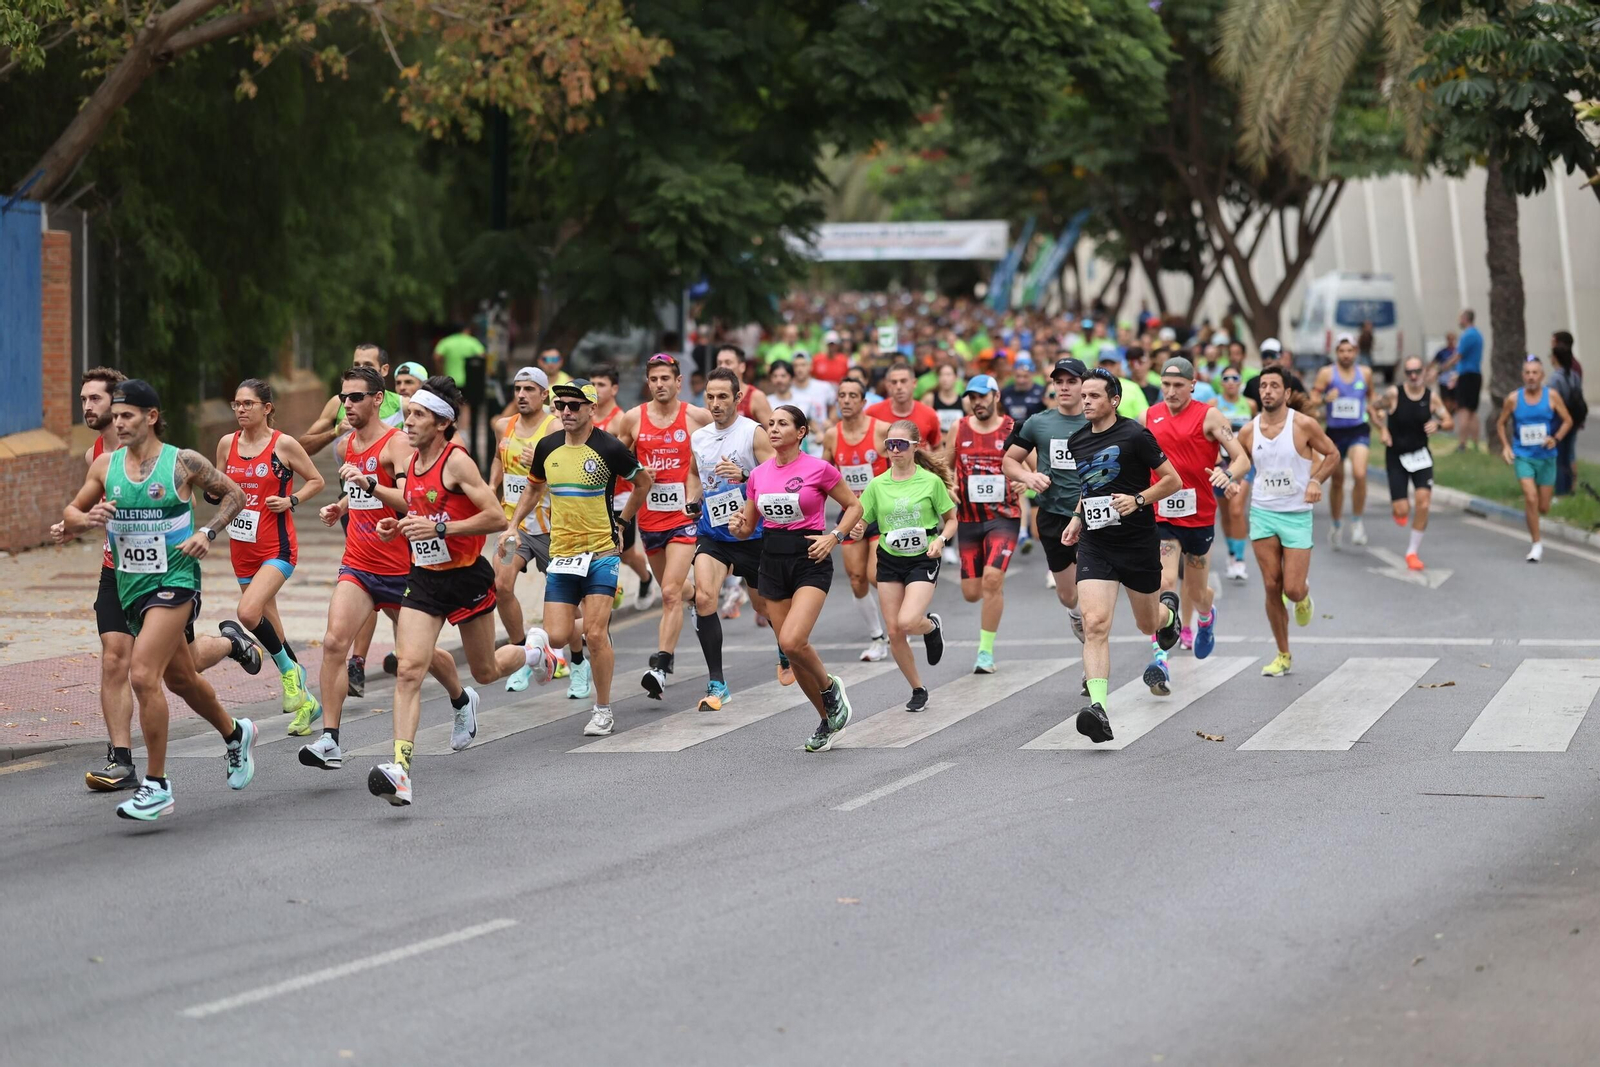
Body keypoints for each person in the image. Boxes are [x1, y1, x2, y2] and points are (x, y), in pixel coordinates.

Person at [59, 380, 261, 822]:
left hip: (175, 581)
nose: (119, 423)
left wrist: (207, 533)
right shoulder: (106, 467)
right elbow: (72, 513)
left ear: (151, 416)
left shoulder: (182, 462)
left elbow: (236, 494)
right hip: (129, 585)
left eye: (127, 415)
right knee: (181, 680)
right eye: (115, 417)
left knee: (142, 673)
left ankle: (156, 785)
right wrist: (84, 519)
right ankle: (235, 733)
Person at [368, 377, 543, 807]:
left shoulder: (458, 461)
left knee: (485, 671)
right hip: (425, 578)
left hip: (466, 578)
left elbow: (492, 518)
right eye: (407, 413)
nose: (408, 421)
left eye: (418, 415)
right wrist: (399, 527)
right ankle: (401, 771)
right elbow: (420, 505)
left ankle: (536, 650)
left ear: (442, 423)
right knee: (410, 668)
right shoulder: (411, 461)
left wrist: (441, 528)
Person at [298, 367, 476, 773]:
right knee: (332, 643)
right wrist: (340, 505)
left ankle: (462, 700)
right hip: (359, 562)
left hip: (401, 568)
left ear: (378, 400)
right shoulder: (345, 446)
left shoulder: (397, 444)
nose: (348, 405)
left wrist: (367, 487)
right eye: (344, 397)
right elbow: (356, 489)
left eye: (356, 397)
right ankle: (330, 739)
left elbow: (408, 500)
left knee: (422, 656)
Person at [517, 379, 653, 738]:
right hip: (562, 553)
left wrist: (624, 523)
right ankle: (546, 649)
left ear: (592, 409)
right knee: (559, 636)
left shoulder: (608, 447)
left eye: (574, 406)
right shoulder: (547, 446)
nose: (566, 411)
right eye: (561, 405)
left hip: (602, 551)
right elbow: (533, 487)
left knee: (595, 634)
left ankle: (603, 709)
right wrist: (512, 524)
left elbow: (643, 481)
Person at [728, 406, 863, 752]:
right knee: (794, 652)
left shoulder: (819, 469)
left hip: (810, 558)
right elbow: (747, 526)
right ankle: (827, 720)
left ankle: (830, 688)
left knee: (791, 641)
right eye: (770, 424)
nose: (773, 429)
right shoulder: (758, 475)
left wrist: (834, 537)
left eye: (782, 424)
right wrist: (738, 527)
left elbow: (854, 507)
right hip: (771, 561)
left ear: (800, 432)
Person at [1059, 371, 1183, 743]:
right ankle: (1098, 708)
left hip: (1137, 542)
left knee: (1148, 624)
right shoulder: (1077, 440)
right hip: (1097, 544)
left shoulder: (1135, 435)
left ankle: (1169, 614)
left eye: (1094, 396)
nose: (1085, 402)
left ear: (1113, 400)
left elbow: (1172, 480)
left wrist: (1138, 499)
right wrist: (1078, 517)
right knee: (1094, 622)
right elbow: (1089, 485)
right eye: (1083, 396)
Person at [216, 378, 326, 734]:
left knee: (248, 612)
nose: (241, 410)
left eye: (248, 404)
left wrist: (291, 500)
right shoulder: (226, 444)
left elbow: (316, 480)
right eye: (236, 404)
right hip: (241, 549)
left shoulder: (284, 445)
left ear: (267, 408)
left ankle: (291, 674)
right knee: (270, 622)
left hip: (277, 548)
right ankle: (306, 702)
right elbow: (219, 487)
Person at [1141, 356, 1251, 693]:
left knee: (1197, 592)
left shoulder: (1210, 416)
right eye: (1166, 385)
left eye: (1178, 386)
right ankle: (1160, 656)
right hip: (1162, 515)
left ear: (1193, 384)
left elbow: (1243, 457)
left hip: (1199, 515)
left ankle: (1206, 616)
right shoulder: (1151, 414)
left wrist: (1228, 473)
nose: (1171, 392)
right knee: (1165, 579)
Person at [610, 354, 711, 697]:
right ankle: (697, 596)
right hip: (650, 519)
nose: (660, 384)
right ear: (648, 383)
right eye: (654, 379)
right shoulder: (632, 419)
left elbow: (723, 448)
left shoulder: (696, 417)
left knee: (668, 593)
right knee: (675, 589)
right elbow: (612, 460)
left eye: (666, 378)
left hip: (684, 518)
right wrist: (636, 473)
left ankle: (661, 665)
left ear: (678, 381)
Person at [1237, 367, 1340, 677]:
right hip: (1263, 513)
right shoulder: (1248, 431)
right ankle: (1283, 653)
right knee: (1271, 585)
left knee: (1291, 590)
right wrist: (1232, 479)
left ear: (1286, 393)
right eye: (1263, 386)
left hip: (1296, 515)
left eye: (1274, 386)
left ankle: (1303, 595)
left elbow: (1332, 453)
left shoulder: (1304, 425)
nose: (1267, 391)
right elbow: (1240, 463)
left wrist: (1316, 480)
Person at [688, 368, 778, 711]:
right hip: (714, 533)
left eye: (723, 396)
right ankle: (717, 683)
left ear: (738, 398)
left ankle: (784, 647)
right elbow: (695, 474)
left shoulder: (753, 433)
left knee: (762, 605)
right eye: (709, 397)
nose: (714, 403)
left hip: (751, 532)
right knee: (705, 598)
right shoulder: (699, 437)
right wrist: (692, 501)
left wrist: (743, 475)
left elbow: (776, 476)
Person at [857, 420, 957, 711]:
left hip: (922, 557)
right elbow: (862, 517)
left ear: (915, 447)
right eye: (890, 445)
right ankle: (918, 688)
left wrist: (941, 540)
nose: (895, 450)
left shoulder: (930, 482)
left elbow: (951, 520)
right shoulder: (877, 484)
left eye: (901, 445)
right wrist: (854, 529)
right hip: (889, 557)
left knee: (908, 621)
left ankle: (930, 627)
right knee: (895, 632)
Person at [489, 367, 572, 694]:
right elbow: (498, 458)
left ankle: (571, 655)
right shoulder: (502, 425)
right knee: (501, 585)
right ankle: (524, 651)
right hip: (516, 525)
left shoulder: (555, 427)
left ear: (543, 395)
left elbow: (568, 470)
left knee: (568, 603)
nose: (521, 394)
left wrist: (539, 460)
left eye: (529, 389)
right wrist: (491, 484)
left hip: (553, 527)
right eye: (517, 388)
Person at [1004, 357, 1091, 638]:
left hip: (1091, 516)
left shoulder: (1100, 422)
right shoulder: (1038, 423)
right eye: (1059, 382)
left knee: (1092, 592)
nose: (1064, 388)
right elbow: (1009, 462)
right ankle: (1076, 615)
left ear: (1083, 385)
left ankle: (1093, 648)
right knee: (1068, 596)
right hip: (1053, 516)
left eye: (1071, 381)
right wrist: (1028, 478)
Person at [945, 375, 1021, 674]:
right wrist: (948, 486)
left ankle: (985, 652)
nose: (977, 402)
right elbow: (945, 468)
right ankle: (991, 597)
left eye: (982, 396)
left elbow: (1033, 466)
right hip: (968, 520)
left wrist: (1024, 484)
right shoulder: (959, 428)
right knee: (971, 592)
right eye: (972, 398)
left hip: (1003, 517)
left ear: (996, 396)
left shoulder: (1012, 428)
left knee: (992, 580)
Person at [821, 376, 890, 664]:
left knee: (877, 575)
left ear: (864, 402)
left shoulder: (880, 431)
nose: (846, 400)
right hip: (851, 512)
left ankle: (904, 619)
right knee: (857, 578)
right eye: (842, 395)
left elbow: (903, 465)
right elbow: (823, 476)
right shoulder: (832, 436)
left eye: (853, 395)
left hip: (881, 512)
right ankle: (877, 638)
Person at [1370, 356, 1454, 570]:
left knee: (1424, 502)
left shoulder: (1432, 397)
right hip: (1396, 456)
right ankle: (1399, 510)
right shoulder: (1394, 394)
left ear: (1424, 372)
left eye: (1417, 371)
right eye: (1409, 372)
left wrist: (1439, 425)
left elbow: (1449, 421)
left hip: (1420, 456)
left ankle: (1412, 552)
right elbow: (1372, 408)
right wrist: (1383, 429)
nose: (1414, 376)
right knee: (1401, 510)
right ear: (1405, 374)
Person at [1496, 355, 1575, 562]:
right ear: (1523, 375)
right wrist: (1505, 447)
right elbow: (1500, 423)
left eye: (1535, 373)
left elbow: (1568, 421)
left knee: (1543, 507)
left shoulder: (1552, 396)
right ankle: (1536, 544)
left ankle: (1535, 515)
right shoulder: (1513, 399)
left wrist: (1555, 438)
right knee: (1530, 497)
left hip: (1547, 457)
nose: (1531, 377)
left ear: (1542, 376)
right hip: (1523, 456)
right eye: (1527, 373)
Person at [590, 363, 656, 610]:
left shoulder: (619, 420)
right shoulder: (584, 415)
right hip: (592, 498)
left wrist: (641, 469)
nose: (595, 389)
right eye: (592, 383)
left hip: (619, 498)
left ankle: (646, 577)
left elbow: (629, 456)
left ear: (614, 388)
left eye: (601, 384)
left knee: (626, 554)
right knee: (605, 553)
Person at [1312, 336, 1373, 550]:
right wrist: (1325, 398)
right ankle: (1336, 524)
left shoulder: (1365, 373)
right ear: (1336, 352)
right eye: (1342, 350)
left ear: (1356, 351)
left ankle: (1357, 523)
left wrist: (1375, 412)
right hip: (1335, 433)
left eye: (1350, 350)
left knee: (1360, 473)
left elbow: (1371, 397)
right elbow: (1312, 399)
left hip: (1358, 430)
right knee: (1337, 481)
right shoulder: (1327, 374)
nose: (1346, 354)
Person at [298, 344, 406, 457]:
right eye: (356, 365)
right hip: (347, 473)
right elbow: (302, 448)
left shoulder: (402, 404)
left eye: (368, 365)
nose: (361, 369)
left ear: (384, 370)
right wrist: (335, 432)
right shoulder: (338, 403)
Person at [1213, 366, 1257, 581]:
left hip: (1243, 463)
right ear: (1221, 383)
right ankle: (1231, 554)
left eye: (1235, 378)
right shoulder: (1214, 405)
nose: (1231, 381)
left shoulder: (1249, 404)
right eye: (1226, 378)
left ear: (1240, 382)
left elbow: (1256, 431)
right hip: (1220, 464)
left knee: (1237, 509)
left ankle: (1240, 560)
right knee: (1227, 511)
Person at [866, 363, 943, 449]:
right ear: (888, 386)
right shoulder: (872, 413)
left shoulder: (929, 414)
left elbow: (937, 448)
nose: (899, 387)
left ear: (914, 383)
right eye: (894, 382)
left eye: (903, 381)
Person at [1549, 343, 1585, 497]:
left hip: (1560, 420)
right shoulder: (1574, 376)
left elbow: (1551, 402)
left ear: (1555, 358)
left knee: (1558, 456)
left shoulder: (1556, 378)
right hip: (1574, 418)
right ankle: (1570, 488)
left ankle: (1560, 490)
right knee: (1568, 455)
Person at [787, 352, 837, 456]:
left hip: (821, 440)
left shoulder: (824, 387)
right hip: (797, 443)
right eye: (796, 366)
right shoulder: (788, 391)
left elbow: (833, 408)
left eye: (803, 365)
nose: (799, 369)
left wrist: (831, 424)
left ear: (810, 366)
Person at [717, 344, 774, 429]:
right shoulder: (711, 395)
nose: (722, 367)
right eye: (719, 363)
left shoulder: (756, 396)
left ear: (742, 367)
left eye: (728, 362)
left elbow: (772, 431)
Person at [1454, 309, 1485, 451]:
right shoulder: (1478, 335)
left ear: (1466, 319)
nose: (1459, 320)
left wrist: (1442, 368)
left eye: (1460, 318)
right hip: (1476, 374)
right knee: (1472, 410)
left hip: (1466, 375)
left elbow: (1458, 355)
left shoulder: (1467, 335)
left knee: (1463, 409)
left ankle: (1462, 443)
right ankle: (1476, 443)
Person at [1243, 339, 1304, 407]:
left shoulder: (1293, 381)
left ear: (1280, 357)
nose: (1268, 360)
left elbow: (1305, 405)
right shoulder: (1252, 383)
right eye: (1265, 356)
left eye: (1272, 356)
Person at [432, 325, 485, 390]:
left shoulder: (446, 341)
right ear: (466, 330)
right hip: (469, 381)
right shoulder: (472, 341)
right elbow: (482, 355)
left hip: (449, 380)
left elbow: (436, 357)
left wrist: (440, 372)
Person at [927, 361, 968, 439]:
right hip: (937, 447)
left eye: (948, 375)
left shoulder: (965, 401)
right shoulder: (930, 399)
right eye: (941, 375)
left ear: (956, 377)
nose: (945, 378)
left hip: (958, 445)